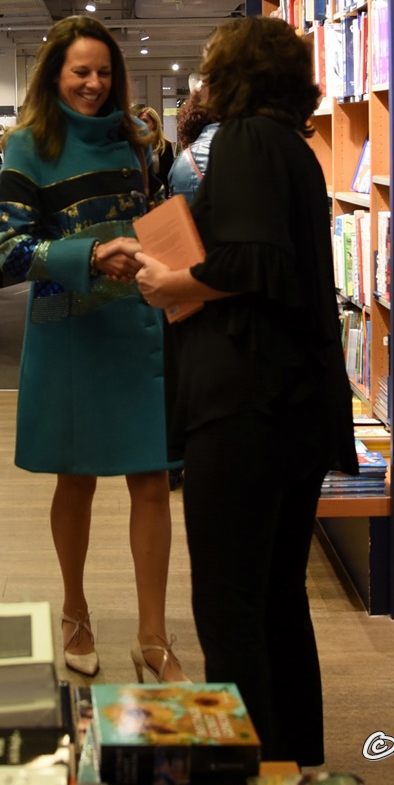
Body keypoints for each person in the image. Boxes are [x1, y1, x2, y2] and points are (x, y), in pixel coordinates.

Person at [134, 16, 358, 765]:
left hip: (245, 403)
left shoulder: (243, 141)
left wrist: (169, 281)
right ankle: (290, 760)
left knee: (229, 607)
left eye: (209, 67)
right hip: (292, 403)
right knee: (276, 599)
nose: (202, 80)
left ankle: (242, 768)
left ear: (233, 74)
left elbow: (249, 261)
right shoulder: (291, 145)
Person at [0, 15, 186, 684]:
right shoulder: (27, 145)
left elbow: (150, 218)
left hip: (138, 326)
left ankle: (153, 636)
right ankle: (74, 611)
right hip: (70, 332)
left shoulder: (136, 140)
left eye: (104, 72)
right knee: (74, 479)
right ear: (55, 75)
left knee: (152, 480)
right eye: (81, 71)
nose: (94, 84)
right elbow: (8, 252)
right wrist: (91, 254)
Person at [162, 87, 220, 491]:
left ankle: (174, 462)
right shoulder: (245, 153)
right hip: (228, 280)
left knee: (182, 373)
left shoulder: (184, 162)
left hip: (185, 276)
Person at [136, 105, 174, 197]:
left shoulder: (165, 146)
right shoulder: (136, 145)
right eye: (139, 121)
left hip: (160, 192)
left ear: (154, 124)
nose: (141, 125)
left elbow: (168, 174)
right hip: (140, 192)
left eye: (145, 121)